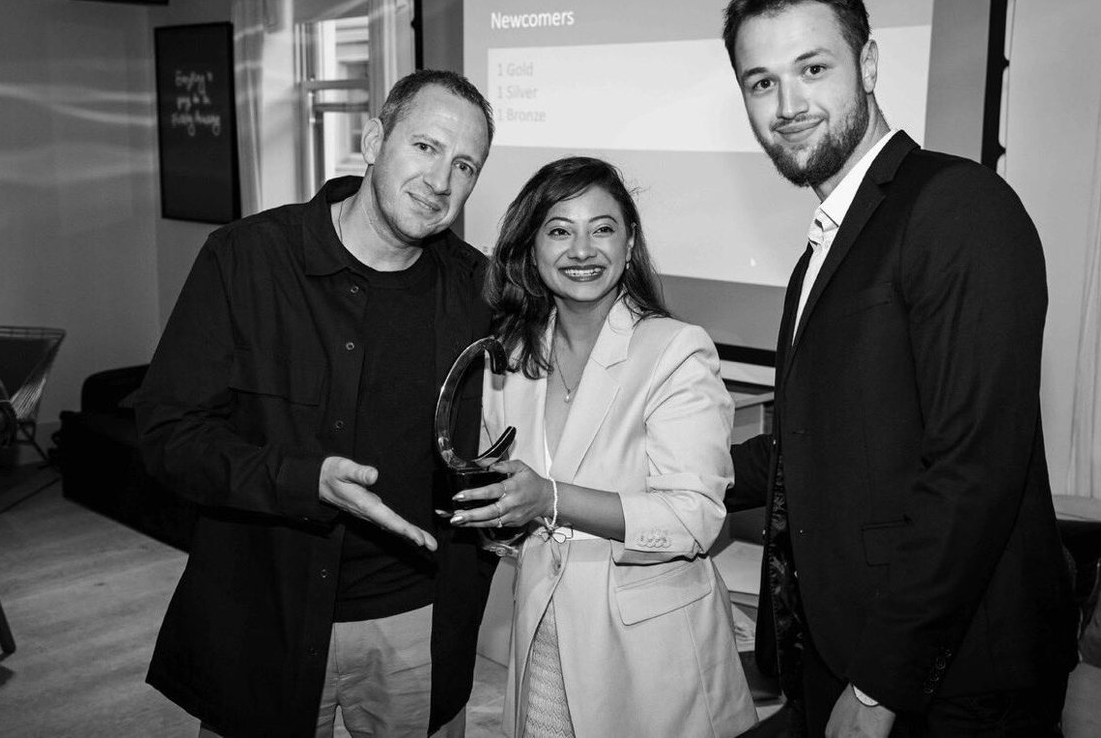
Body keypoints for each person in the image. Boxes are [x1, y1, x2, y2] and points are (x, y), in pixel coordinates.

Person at [722, 0, 1077, 738]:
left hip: (955, 680)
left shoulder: (958, 205)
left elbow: (973, 467)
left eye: (813, 69)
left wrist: (881, 685)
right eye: (761, 83)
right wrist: (671, 468)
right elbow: (823, 443)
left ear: (870, 65)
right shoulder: (828, 242)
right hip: (848, 650)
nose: (787, 107)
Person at [136, 69, 499, 738]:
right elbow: (166, 435)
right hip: (264, 613)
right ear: (372, 139)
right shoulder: (246, 259)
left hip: (416, 622)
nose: (442, 180)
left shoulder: (479, 290)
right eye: (425, 147)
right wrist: (304, 479)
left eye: (465, 164)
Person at [449, 156, 757, 738]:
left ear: (630, 241)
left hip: (651, 653)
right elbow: (504, 488)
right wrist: (497, 516)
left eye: (603, 228)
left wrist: (548, 499)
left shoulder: (676, 351)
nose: (582, 249)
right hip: (540, 630)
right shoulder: (510, 356)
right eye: (560, 230)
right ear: (531, 248)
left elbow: (695, 516)